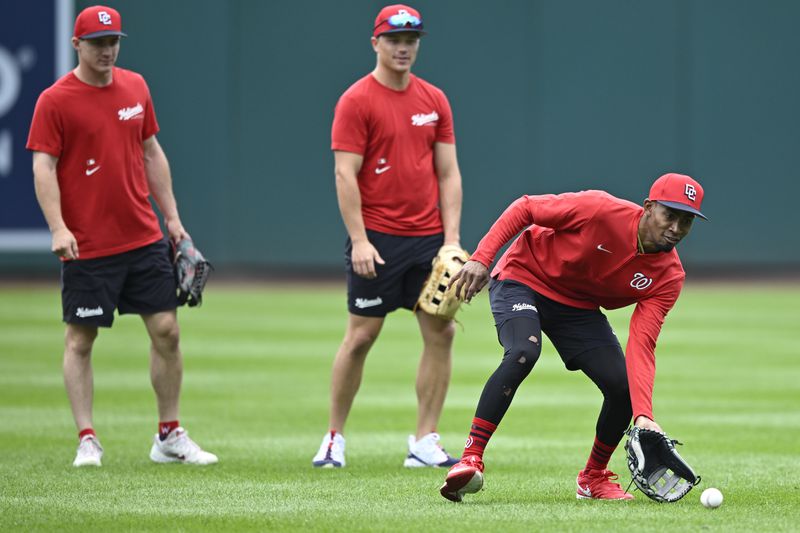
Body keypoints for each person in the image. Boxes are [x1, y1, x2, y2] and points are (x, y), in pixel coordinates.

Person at [439, 173, 707, 501]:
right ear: (649, 207)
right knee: (524, 350)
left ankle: (593, 478)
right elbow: (525, 208)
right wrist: (482, 258)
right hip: (524, 276)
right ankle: (470, 458)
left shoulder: (669, 276)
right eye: (670, 215)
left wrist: (644, 415)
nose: (676, 228)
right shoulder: (599, 210)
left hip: (576, 307)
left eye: (687, 221)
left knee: (623, 387)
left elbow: (642, 342)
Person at [26, 5, 217, 467]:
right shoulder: (56, 99)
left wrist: (172, 218)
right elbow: (43, 165)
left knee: (167, 331)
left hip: (143, 235)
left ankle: (169, 435)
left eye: (113, 42)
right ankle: (87, 438)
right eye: (97, 43)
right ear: (78, 46)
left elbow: (151, 152)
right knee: (81, 340)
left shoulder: (135, 86)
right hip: (88, 243)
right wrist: (58, 227)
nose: (107, 50)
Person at [312, 4, 464, 468]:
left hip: (427, 240)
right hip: (377, 239)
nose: (404, 47)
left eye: (412, 39)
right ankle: (334, 436)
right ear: (376, 42)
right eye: (395, 39)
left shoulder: (434, 99)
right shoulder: (356, 101)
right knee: (360, 336)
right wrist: (359, 240)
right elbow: (345, 174)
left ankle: (424, 440)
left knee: (442, 331)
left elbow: (448, 173)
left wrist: (451, 239)